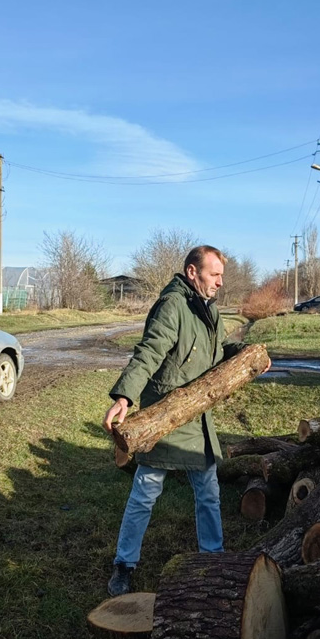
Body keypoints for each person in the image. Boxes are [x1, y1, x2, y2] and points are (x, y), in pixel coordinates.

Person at [103, 245, 266, 596]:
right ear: (192, 273)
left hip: (198, 415)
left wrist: (249, 356)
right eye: (214, 274)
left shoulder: (208, 308)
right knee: (145, 491)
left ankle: (214, 557)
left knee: (208, 492)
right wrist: (124, 396)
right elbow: (149, 352)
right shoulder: (173, 305)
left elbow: (218, 351)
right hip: (165, 416)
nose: (220, 282)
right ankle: (123, 564)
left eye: (221, 275)